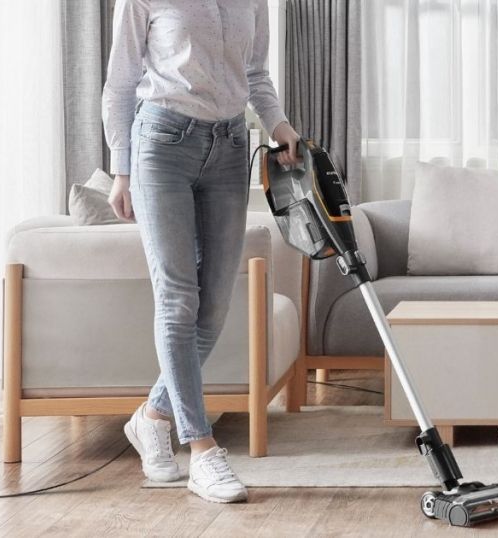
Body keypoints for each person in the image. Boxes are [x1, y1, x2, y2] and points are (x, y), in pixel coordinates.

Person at [102, 0, 301, 503]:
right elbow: (121, 82)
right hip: (162, 143)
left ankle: (152, 416)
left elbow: (255, 73)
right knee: (178, 299)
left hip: (232, 145)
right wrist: (121, 169)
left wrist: (280, 127)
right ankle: (202, 450)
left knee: (213, 304)